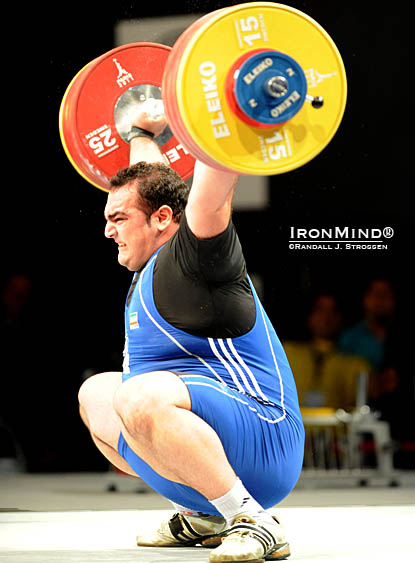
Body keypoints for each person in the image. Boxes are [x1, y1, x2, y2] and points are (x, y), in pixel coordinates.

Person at [78, 100, 304, 563]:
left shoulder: (199, 256)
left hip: (264, 436)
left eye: (118, 219)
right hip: (211, 431)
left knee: (135, 397)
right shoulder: (149, 267)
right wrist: (142, 131)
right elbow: (159, 184)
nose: (107, 231)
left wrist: (230, 117)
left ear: (162, 220)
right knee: (96, 395)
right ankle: (204, 513)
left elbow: (209, 192)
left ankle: (254, 520)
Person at [283, 293, 371, 410]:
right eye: (320, 310)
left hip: (337, 425)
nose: (326, 317)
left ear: (341, 318)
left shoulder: (356, 364)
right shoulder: (287, 352)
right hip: (293, 423)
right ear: (310, 316)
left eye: (333, 311)